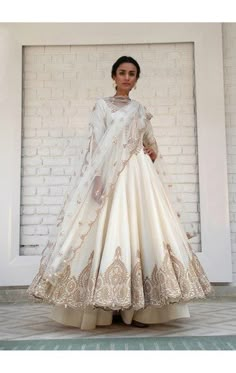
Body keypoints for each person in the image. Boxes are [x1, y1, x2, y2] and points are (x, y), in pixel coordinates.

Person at [27, 56, 214, 330]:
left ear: (136, 80)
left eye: (132, 74)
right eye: (122, 73)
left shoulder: (139, 109)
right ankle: (102, 309)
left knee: (141, 232)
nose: (127, 77)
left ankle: (139, 310)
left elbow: (151, 144)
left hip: (139, 178)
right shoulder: (102, 106)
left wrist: (151, 151)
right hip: (111, 177)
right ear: (113, 76)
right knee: (108, 232)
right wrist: (98, 179)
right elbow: (96, 145)